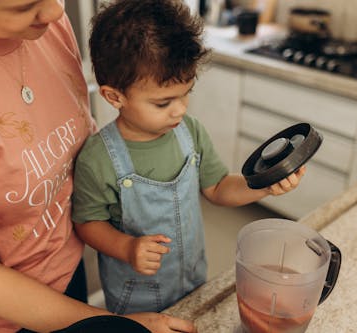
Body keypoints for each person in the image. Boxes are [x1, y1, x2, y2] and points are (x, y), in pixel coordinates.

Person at [0, 1, 197, 332]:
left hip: (65, 285)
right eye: (25, 6)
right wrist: (114, 325)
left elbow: (78, 147)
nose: (54, 12)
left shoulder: (45, 28)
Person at [72, 0, 306, 315]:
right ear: (115, 96)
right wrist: (126, 247)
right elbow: (87, 223)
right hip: (136, 298)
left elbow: (219, 187)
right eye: (163, 102)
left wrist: (262, 186)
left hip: (193, 278)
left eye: (186, 94)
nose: (180, 109)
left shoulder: (190, 132)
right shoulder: (97, 159)